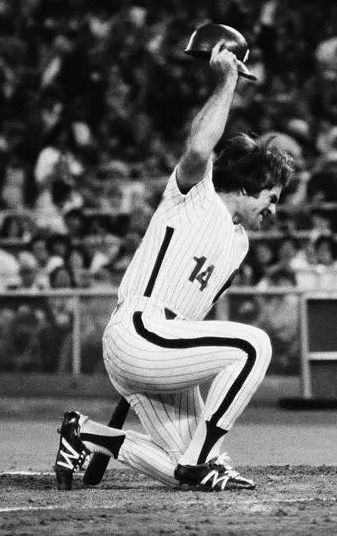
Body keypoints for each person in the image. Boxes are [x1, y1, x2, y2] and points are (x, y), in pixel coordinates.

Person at [53, 42, 293, 491]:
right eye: (271, 198)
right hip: (140, 329)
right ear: (247, 185)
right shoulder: (195, 195)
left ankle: (85, 432)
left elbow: (194, 320)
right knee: (253, 346)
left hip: (166, 349)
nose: (274, 210)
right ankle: (201, 457)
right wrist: (227, 81)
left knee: (186, 473)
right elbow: (200, 145)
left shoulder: (238, 245)